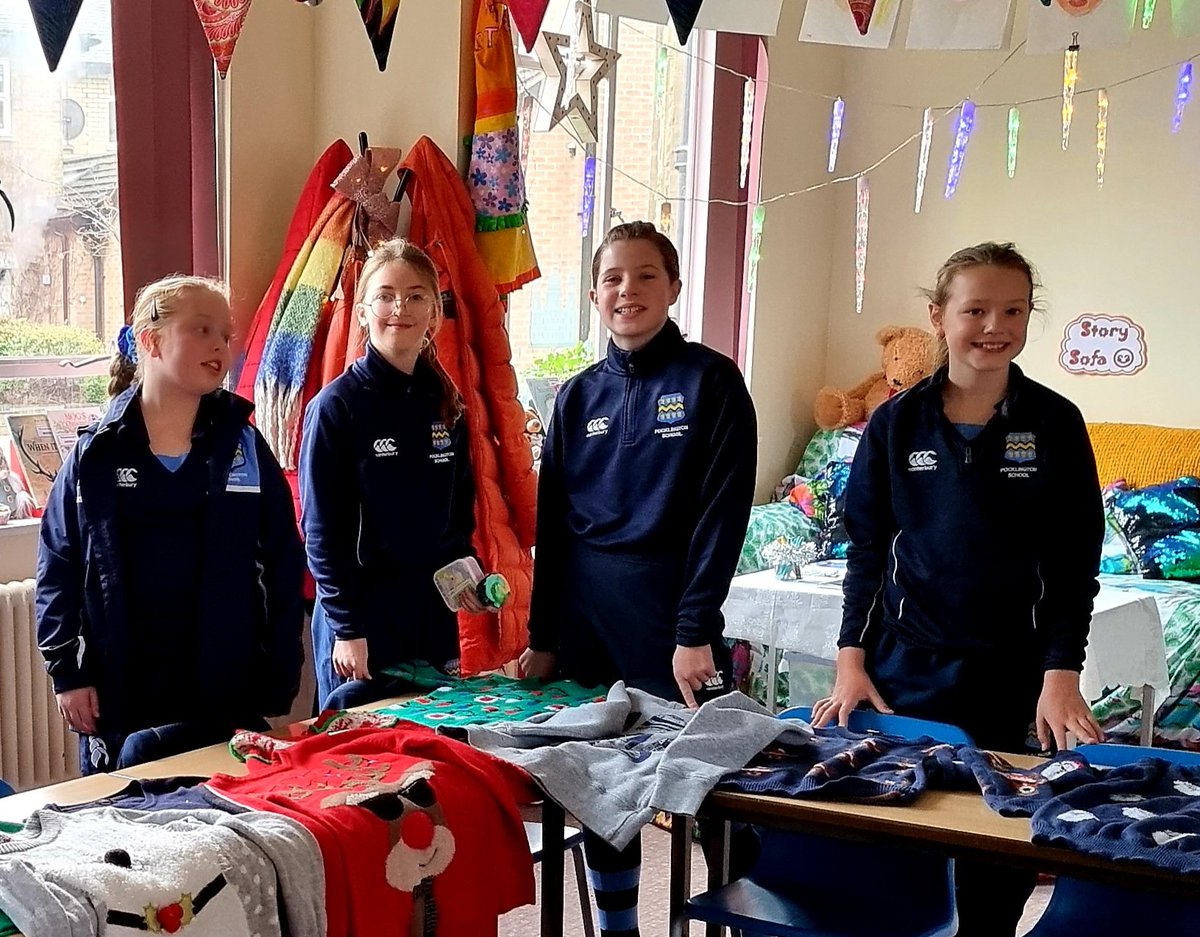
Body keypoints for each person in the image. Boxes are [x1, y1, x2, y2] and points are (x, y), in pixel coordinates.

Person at [813, 241, 1105, 937]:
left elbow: (1074, 566)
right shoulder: (894, 422)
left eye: (1013, 309)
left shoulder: (1056, 422)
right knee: (894, 865)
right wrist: (851, 658)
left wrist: (1060, 674)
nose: (993, 325)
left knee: (995, 868)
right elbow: (865, 551)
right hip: (906, 668)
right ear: (939, 316)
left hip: (1014, 678)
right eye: (975, 308)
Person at [520, 221, 758, 937]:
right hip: (589, 625)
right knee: (601, 787)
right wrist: (544, 635)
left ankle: (745, 918)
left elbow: (722, 519)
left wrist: (693, 631)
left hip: (672, 621)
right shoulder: (575, 396)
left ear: (674, 288)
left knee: (718, 785)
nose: (629, 290)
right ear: (595, 294)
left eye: (646, 275)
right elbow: (552, 527)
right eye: (615, 278)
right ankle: (620, 926)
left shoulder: (711, 381)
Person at [36, 275, 305, 774]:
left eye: (225, 335)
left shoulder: (243, 446)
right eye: (202, 330)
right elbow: (59, 563)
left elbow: (285, 559)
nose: (220, 346)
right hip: (126, 686)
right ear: (152, 341)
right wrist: (65, 673)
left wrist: (281, 664)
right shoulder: (97, 452)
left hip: (225, 684)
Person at [300, 238, 492, 712]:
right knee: (360, 764)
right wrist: (348, 628)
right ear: (363, 310)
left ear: (433, 313)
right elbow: (321, 533)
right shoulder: (336, 408)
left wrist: (466, 576)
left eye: (415, 296)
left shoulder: (447, 405)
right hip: (362, 621)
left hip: (430, 616)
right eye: (385, 295)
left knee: (432, 749)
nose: (399, 308)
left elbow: (456, 521)